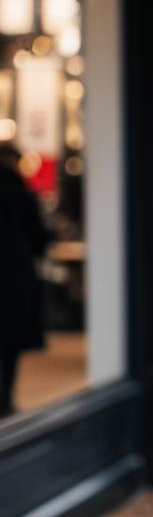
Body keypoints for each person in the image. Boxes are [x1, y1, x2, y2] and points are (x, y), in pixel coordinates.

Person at [0, 143, 50, 419]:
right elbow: (39, 239)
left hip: (14, 273)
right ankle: (5, 398)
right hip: (14, 275)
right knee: (10, 343)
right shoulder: (22, 196)